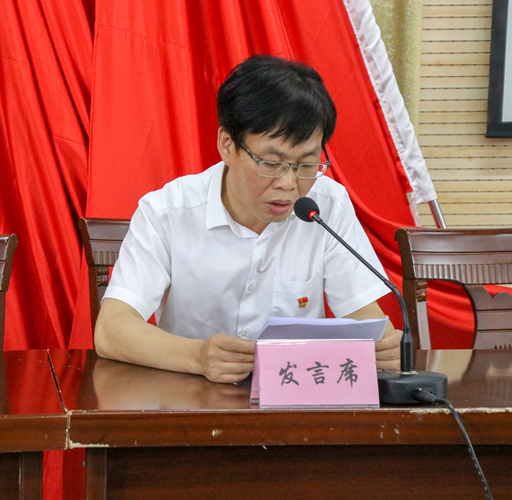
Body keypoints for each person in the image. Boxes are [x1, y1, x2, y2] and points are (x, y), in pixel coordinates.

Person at [94, 54, 402, 383]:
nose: (289, 183)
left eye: (306, 164)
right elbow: (111, 329)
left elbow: (363, 317)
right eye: (271, 163)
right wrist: (197, 356)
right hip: (189, 396)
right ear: (227, 145)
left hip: (294, 398)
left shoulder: (327, 205)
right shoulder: (166, 212)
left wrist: (383, 347)